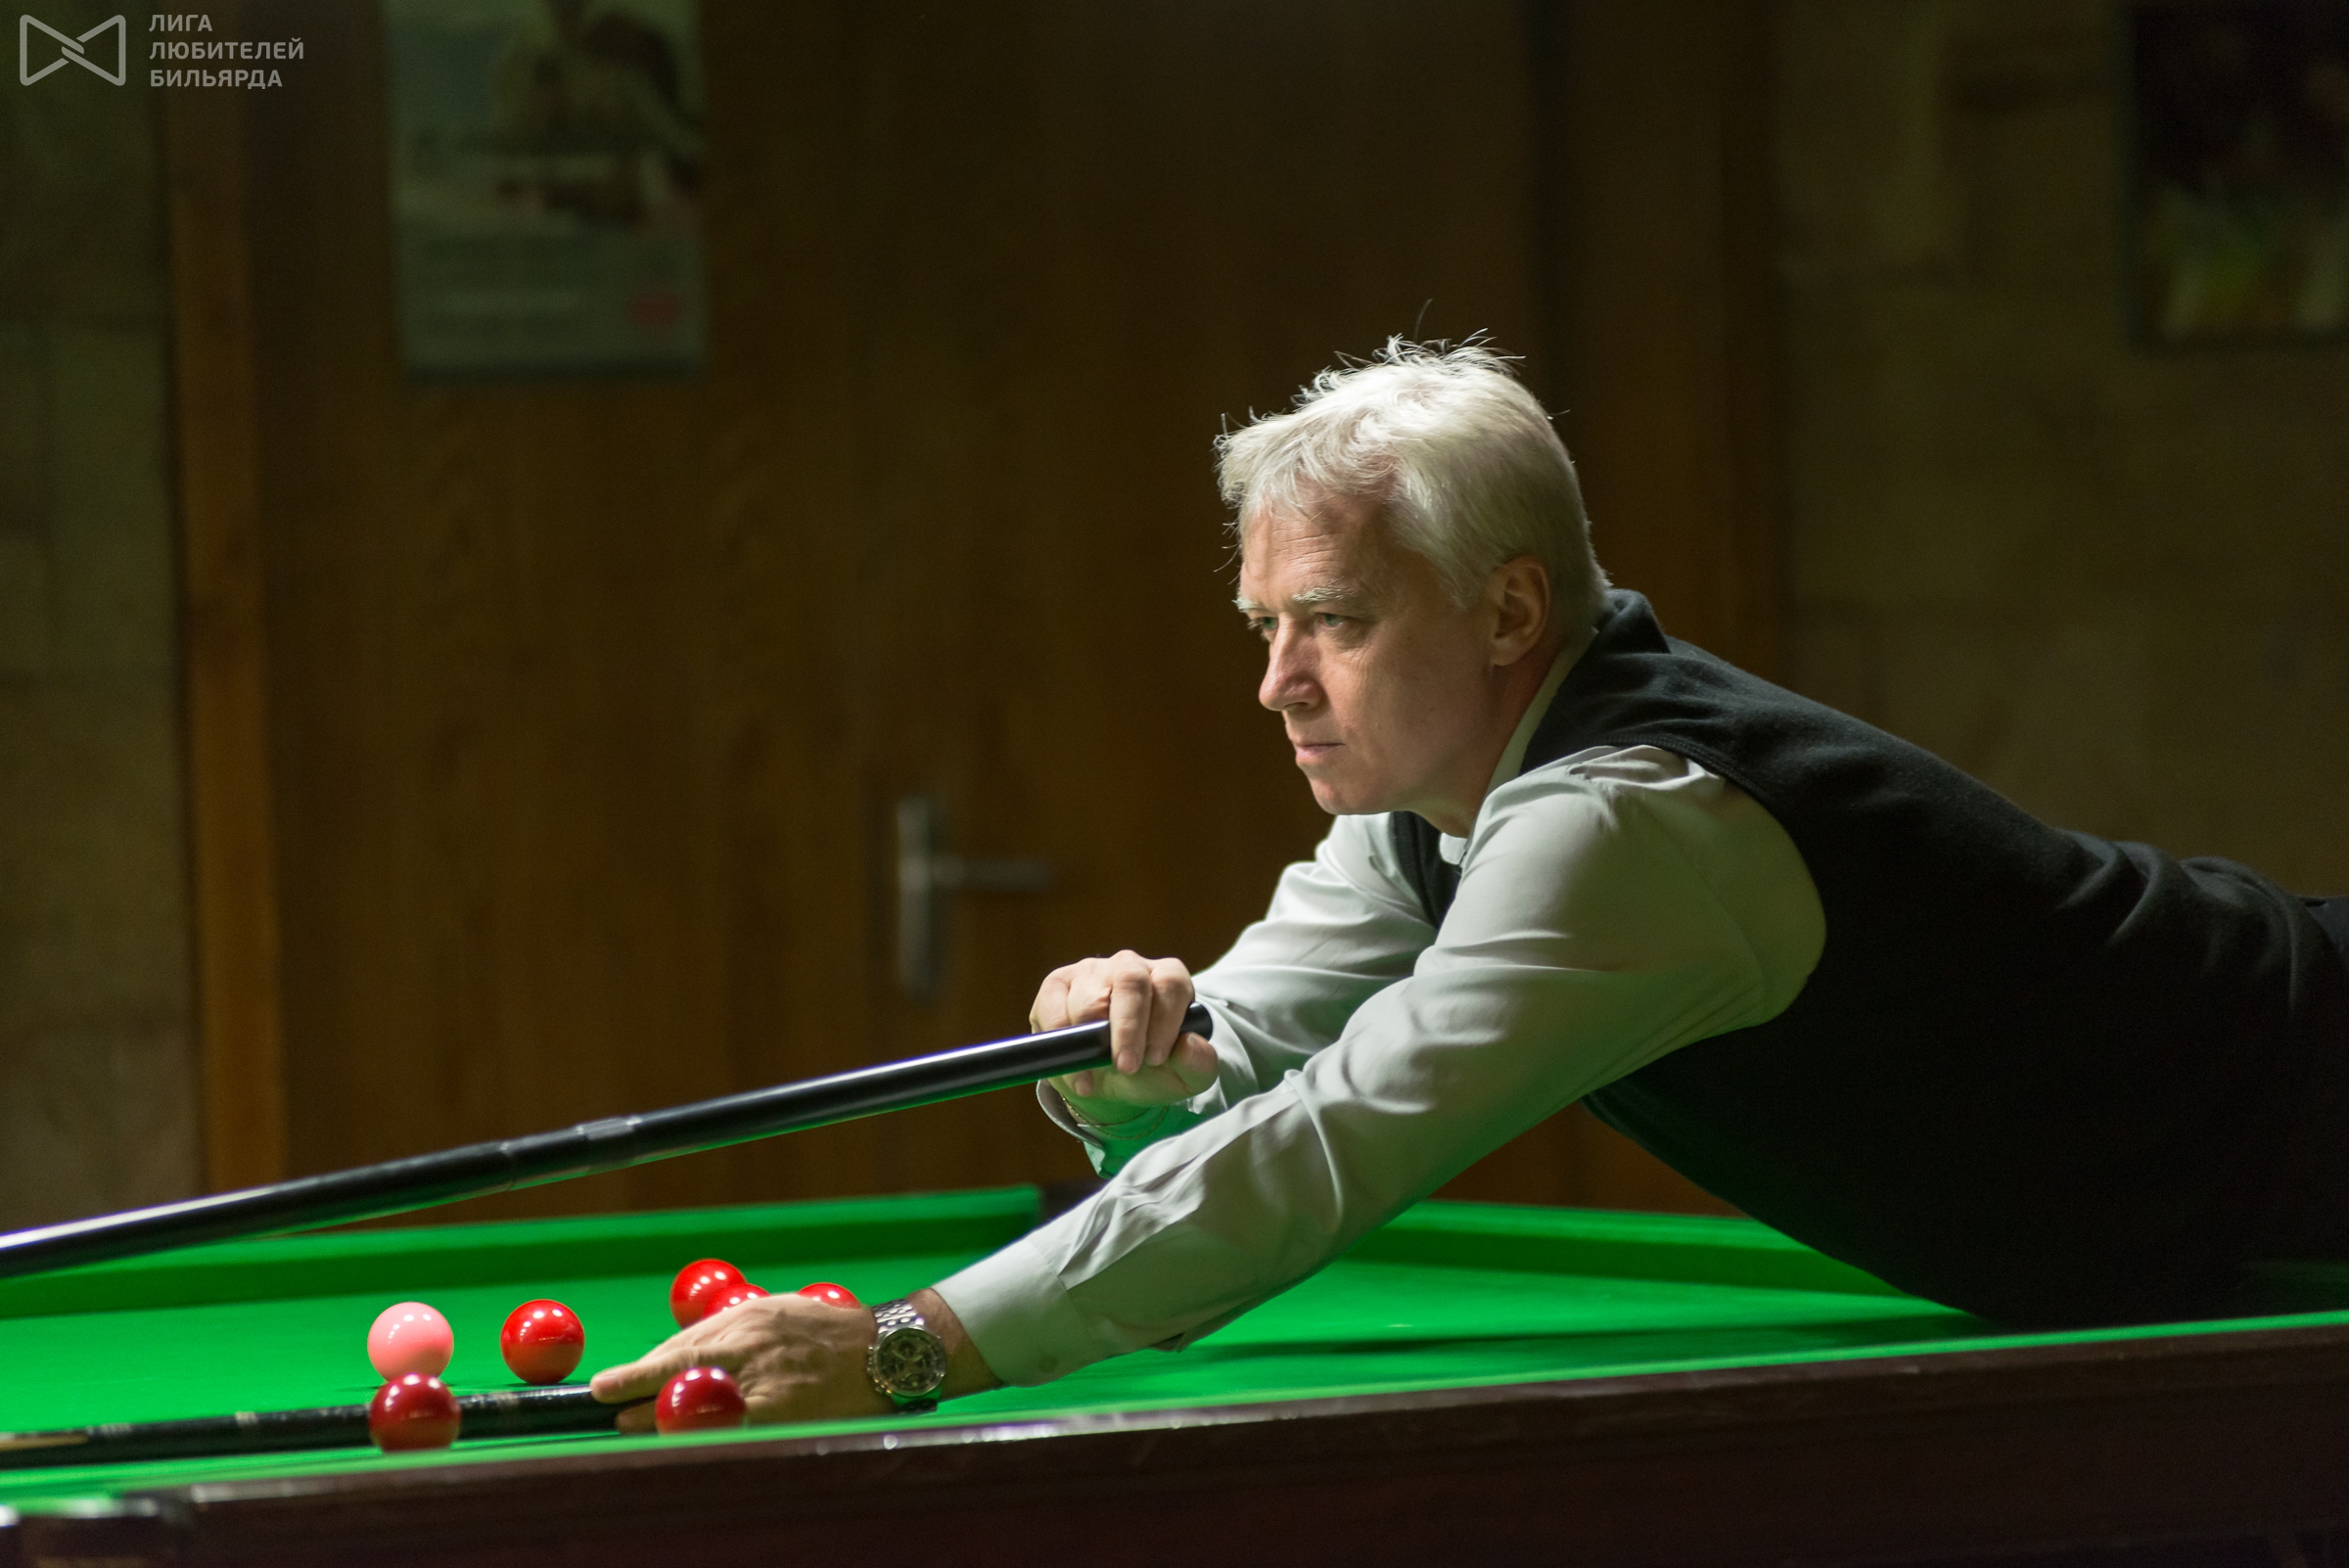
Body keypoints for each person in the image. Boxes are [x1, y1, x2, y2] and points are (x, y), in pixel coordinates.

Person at [589, 339, 2349, 1426]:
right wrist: (1136, 1067)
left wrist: (910, 1345)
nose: (1277, 684)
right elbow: (1242, 1059)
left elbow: (1323, 1147)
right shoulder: (1435, 808)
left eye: (1334, 623)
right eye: (1266, 625)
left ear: (1512, 611)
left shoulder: (1623, 825)